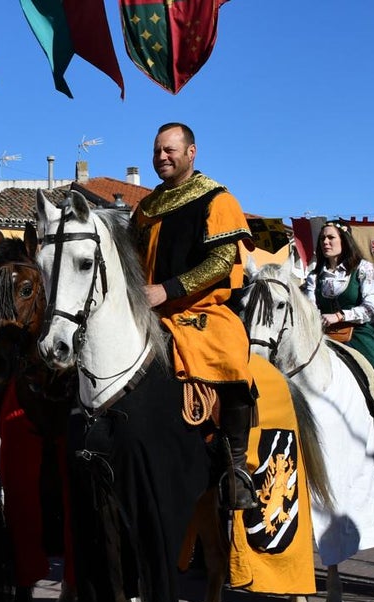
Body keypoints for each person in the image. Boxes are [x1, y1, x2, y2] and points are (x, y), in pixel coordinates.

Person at [128, 122, 258, 510]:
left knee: (231, 357)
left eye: (169, 150)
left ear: (191, 153)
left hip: (201, 308)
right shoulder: (146, 208)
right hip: (146, 308)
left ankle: (235, 470)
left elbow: (221, 262)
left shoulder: (217, 200)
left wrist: (166, 290)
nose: (162, 157)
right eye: (156, 151)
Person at [304, 221, 374, 466]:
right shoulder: (314, 275)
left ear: (344, 241)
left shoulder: (362, 269)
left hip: (357, 333)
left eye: (331, 238)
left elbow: (371, 307)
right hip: (322, 336)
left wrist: (340, 316)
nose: (326, 243)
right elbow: (309, 308)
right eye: (323, 240)